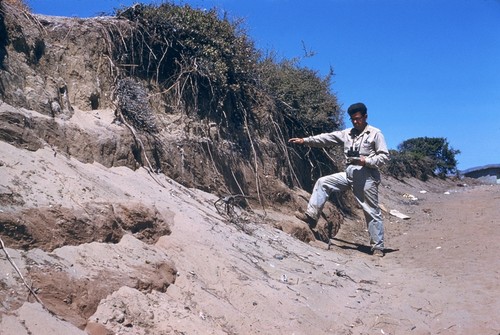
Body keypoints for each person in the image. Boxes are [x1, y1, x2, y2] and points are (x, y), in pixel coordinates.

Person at [288, 102, 389, 257]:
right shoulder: (347, 133)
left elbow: (384, 156)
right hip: (349, 175)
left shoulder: (375, 133)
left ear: (365, 117)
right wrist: (305, 140)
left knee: (371, 211)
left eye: (358, 118)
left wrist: (366, 161)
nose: (356, 122)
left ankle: (377, 247)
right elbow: (327, 138)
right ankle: (311, 217)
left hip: (366, 177)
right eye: (353, 119)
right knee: (323, 182)